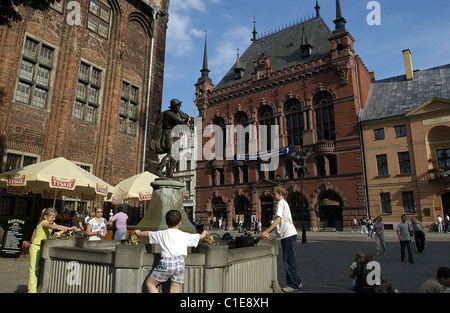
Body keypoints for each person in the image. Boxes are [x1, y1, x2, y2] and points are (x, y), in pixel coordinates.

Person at [134, 210, 208, 293]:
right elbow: (198, 237)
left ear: (166, 222)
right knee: (175, 287)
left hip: (167, 263)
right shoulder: (184, 235)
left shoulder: (162, 233)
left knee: (150, 283)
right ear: (180, 223)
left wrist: (139, 232)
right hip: (180, 264)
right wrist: (204, 234)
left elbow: (148, 234)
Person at [260, 186, 301, 293]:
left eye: (274, 194)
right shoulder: (284, 203)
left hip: (287, 234)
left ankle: (293, 284)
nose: (273, 196)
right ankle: (297, 281)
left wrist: (266, 231)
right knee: (291, 259)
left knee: (288, 260)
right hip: (289, 234)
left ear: (280, 194)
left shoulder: (280, 203)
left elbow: (278, 220)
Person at [28, 208, 76, 293]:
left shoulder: (52, 223)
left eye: (54, 217)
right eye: (52, 217)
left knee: (41, 269)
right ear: (46, 217)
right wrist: (58, 228)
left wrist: (69, 228)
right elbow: (51, 226)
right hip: (36, 247)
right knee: (34, 270)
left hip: (43, 247)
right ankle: (32, 291)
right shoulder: (43, 222)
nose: (53, 219)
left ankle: (38, 288)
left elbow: (58, 226)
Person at [150, 98, 190, 178]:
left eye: (179, 106)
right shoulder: (169, 113)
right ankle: (159, 169)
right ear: (173, 107)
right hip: (168, 133)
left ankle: (170, 172)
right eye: (177, 106)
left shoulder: (178, 112)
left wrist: (189, 119)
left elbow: (184, 117)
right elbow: (179, 120)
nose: (178, 108)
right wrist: (184, 123)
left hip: (175, 133)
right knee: (171, 153)